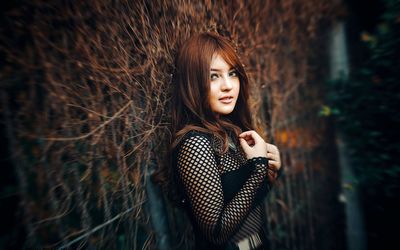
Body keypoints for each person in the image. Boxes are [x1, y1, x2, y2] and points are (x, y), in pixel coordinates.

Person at [169, 32, 282, 250]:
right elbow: (217, 233)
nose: (228, 86)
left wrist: (271, 169)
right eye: (214, 76)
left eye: (232, 73)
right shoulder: (195, 144)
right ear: (193, 82)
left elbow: (247, 204)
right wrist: (258, 170)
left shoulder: (231, 131)